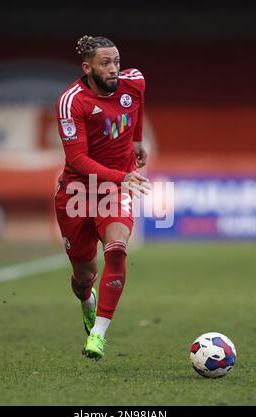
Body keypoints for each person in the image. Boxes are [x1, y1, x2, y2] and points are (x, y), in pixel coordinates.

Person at [55, 35, 150, 360]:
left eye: (117, 62)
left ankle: (98, 335)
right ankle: (86, 300)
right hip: (77, 193)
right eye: (106, 63)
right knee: (84, 277)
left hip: (115, 190)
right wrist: (122, 175)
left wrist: (136, 141)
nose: (114, 70)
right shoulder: (72, 101)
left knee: (117, 249)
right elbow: (78, 159)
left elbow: (138, 102)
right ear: (88, 67)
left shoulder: (133, 82)